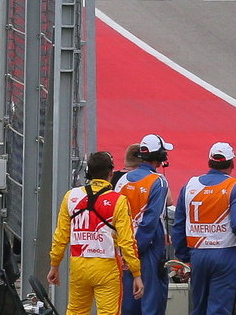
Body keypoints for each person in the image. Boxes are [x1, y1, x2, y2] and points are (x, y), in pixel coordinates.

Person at [173, 143, 236, 315]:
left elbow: (178, 225)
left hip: (197, 254)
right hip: (225, 255)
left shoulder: (190, 186)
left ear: (210, 162)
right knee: (220, 308)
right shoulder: (235, 186)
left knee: (198, 306)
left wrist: (184, 257)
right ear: (231, 164)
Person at [50, 150, 143, 315]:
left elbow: (61, 235)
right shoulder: (118, 201)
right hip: (107, 266)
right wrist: (136, 274)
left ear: (88, 172)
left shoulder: (71, 196)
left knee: (76, 311)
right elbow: (127, 242)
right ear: (111, 173)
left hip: (78, 265)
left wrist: (54, 265)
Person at [116, 134, 173, 315]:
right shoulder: (158, 181)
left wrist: (126, 251)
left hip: (124, 247)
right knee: (151, 301)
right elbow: (149, 222)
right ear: (160, 156)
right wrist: (135, 251)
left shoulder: (123, 180)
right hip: (148, 249)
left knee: (128, 302)